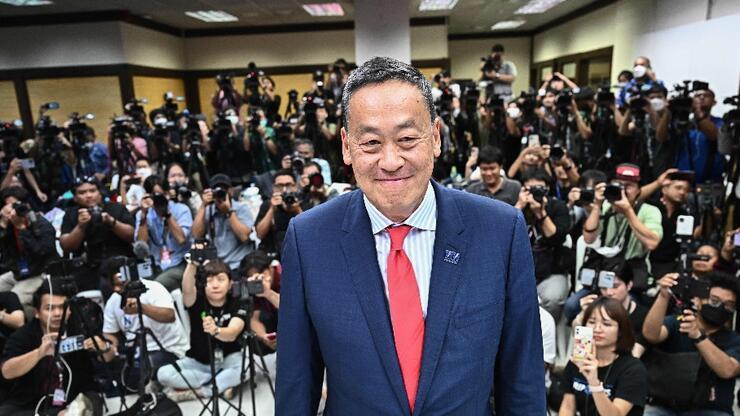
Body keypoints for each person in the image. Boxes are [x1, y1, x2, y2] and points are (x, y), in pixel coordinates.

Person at [275, 57, 544, 415]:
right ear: (346, 146)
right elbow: (296, 386)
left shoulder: (500, 231)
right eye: (371, 142)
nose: (390, 161)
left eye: (406, 139)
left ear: (435, 137)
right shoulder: (309, 239)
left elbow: (522, 379)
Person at [642, 272, 740, 415]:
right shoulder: (677, 323)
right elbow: (651, 334)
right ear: (697, 300)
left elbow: (728, 370)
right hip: (664, 407)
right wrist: (663, 296)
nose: (720, 308)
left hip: (711, 410)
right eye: (714, 301)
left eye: (728, 305)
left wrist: (698, 337)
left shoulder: (734, 340)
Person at [0, 280, 104, 415]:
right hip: (32, 400)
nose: (57, 313)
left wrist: (104, 347)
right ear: (37, 312)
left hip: (75, 396)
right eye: (50, 308)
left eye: (63, 307)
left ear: (69, 310)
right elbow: (7, 371)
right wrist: (39, 353)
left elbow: (109, 357)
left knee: (91, 403)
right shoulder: (23, 336)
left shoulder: (80, 329)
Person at [158, 257, 247, 402]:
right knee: (163, 374)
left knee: (246, 367)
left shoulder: (238, 302)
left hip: (229, 359)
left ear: (230, 283)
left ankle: (201, 391)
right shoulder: (197, 299)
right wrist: (193, 263)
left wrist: (216, 330)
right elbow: (187, 288)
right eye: (209, 280)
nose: (215, 285)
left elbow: (233, 332)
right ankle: (220, 383)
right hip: (198, 363)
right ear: (203, 284)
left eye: (220, 279)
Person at [558, 297, 647, 416]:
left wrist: (594, 383)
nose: (597, 329)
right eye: (591, 322)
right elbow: (568, 407)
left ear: (621, 330)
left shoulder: (633, 369)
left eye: (606, 324)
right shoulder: (578, 360)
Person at [102, 265, 189, 384]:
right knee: (116, 373)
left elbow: (169, 316)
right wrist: (109, 346)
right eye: (113, 285)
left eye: (120, 284)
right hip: (136, 351)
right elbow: (109, 332)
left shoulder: (154, 288)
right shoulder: (113, 301)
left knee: (143, 369)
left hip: (168, 349)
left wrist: (142, 308)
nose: (116, 289)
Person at [59, 176, 135, 291]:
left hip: (120, 263)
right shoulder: (71, 214)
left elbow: (132, 236)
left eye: (92, 191)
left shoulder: (116, 208)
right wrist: (80, 227)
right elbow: (66, 246)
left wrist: (112, 222)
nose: (88, 195)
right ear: (75, 197)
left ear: (100, 193)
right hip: (87, 269)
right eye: (82, 193)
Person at [514, 168, 571, 320]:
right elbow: (503, 235)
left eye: (539, 189)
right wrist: (519, 206)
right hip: (518, 272)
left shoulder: (558, 206)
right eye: (530, 189)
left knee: (553, 299)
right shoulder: (514, 206)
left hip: (551, 270)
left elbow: (556, 238)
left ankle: (544, 329)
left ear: (547, 189)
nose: (535, 193)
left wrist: (541, 213)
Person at [0, 186, 58, 318]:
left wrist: (22, 229)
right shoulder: (8, 225)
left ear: (26, 205)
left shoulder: (41, 224)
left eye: (15, 205)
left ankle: (31, 325)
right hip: (17, 272)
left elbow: (41, 252)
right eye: (7, 205)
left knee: (15, 300)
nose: (11, 209)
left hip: (40, 272)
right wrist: (2, 225)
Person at [573, 259, 649, 358]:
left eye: (615, 286)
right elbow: (581, 352)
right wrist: (583, 315)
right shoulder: (593, 310)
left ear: (629, 285)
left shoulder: (643, 316)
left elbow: (634, 356)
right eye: (604, 287)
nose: (609, 292)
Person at [135, 177, 193, 291]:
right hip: (154, 264)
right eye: (156, 195)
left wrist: (167, 214)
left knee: (156, 287)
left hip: (180, 263)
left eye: (163, 194)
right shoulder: (143, 214)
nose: (160, 199)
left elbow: (181, 239)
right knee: (140, 288)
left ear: (168, 193)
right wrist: (143, 216)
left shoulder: (181, 209)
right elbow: (141, 244)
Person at [191, 174, 254, 270]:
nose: (220, 193)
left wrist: (229, 212)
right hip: (218, 265)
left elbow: (244, 237)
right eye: (216, 190)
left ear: (231, 191)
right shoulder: (209, 210)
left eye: (224, 189)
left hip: (239, 263)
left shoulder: (241, 208)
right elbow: (196, 235)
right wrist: (203, 205)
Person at [675, 88, 725, 184]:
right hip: (682, 180)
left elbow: (715, 136)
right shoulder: (684, 123)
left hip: (710, 181)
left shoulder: (719, 122)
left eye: (706, 96)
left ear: (714, 102)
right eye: (697, 96)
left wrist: (698, 112)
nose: (701, 98)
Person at [255, 170, 307, 257]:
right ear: (273, 188)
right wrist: (272, 209)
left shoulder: (303, 203)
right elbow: (260, 234)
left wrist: (297, 210)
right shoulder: (268, 205)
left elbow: (309, 231)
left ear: (295, 186)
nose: (284, 190)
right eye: (279, 186)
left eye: (288, 185)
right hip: (274, 253)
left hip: (300, 251)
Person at [239, 251, 280, 355]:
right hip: (271, 318)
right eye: (253, 277)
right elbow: (254, 319)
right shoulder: (251, 283)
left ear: (270, 268)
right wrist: (264, 337)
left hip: (294, 321)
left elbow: (293, 310)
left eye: (262, 274)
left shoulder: (285, 275)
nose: (258, 280)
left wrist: (268, 293)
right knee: (255, 339)